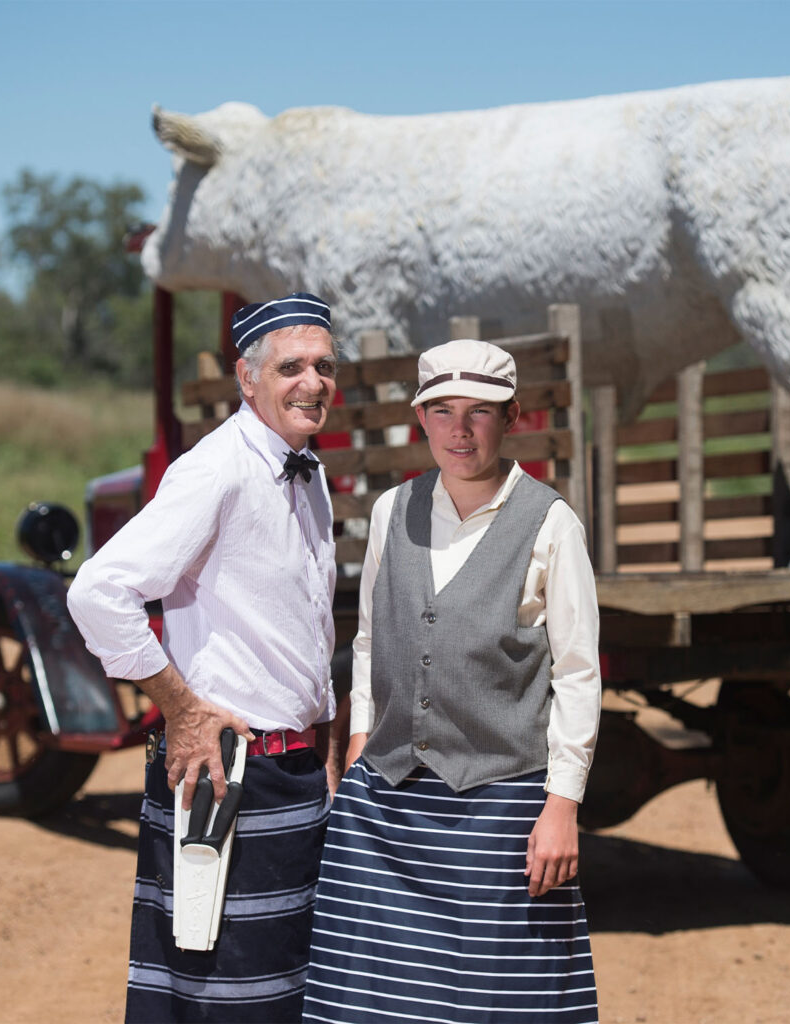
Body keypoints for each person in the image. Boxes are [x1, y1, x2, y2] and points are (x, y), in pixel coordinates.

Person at [302, 338, 602, 1023]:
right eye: (442, 411)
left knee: (493, 1002)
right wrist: (357, 740)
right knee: (372, 1000)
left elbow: (579, 674)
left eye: (479, 412)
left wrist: (562, 806)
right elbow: (373, 638)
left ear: (513, 416)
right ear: (421, 418)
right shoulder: (390, 510)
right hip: (388, 803)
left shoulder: (551, 523)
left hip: (499, 808)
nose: (459, 431)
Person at [67, 292, 340, 1023]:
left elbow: (305, 627)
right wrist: (180, 707)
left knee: (282, 1000)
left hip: (295, 776)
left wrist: (328, 737)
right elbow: (98, 592)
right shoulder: (216, 469)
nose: (311, 382)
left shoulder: (308, 475)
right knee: (215, 1000)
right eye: (291, 368)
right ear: (247, 380)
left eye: (323, 366)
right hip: (224, 774)